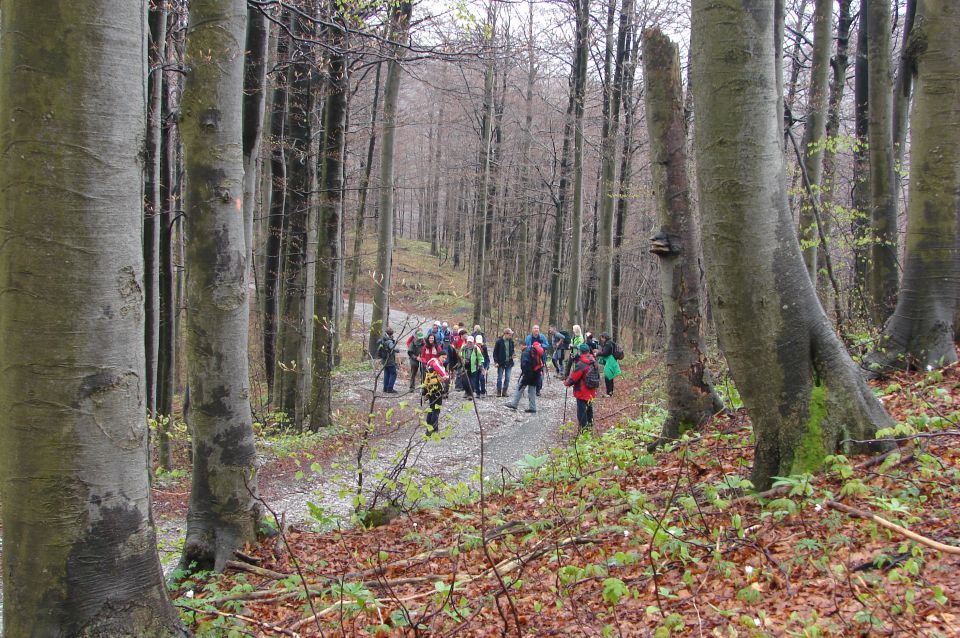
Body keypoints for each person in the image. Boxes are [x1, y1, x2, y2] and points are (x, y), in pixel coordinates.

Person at [566, 343, 598, 432]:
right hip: (591, 390)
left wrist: (567, 382)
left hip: (582, 391)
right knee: (589, 410)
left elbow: (574, 377)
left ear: (580, 351)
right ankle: (590, 428)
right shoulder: (593, 360)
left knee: (581, 413)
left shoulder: (582, 364)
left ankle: (584, 432)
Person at [506, 341, 543, 413]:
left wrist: (524, 374)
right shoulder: (532, 350)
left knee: (520, 387)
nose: (520, 348)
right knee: (532, 390)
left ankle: (514, 404)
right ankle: (533, 408)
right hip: (536, 373)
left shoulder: (525, 352)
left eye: (520, 346)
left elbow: (524, 365)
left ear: (522, 345)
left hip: (528, 374)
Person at [422, 350, 450, 433]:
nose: (444, 359)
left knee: (431, 408)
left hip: (430, 388)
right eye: (443, 357)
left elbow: (445, 373)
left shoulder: (432, 362)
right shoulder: (436, 363)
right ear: (439, 356)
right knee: (436, 409)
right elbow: (442, 372)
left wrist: (445, 375)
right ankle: (434, 430)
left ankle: (429, 430)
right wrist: (444, 375)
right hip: (436, 388)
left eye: (445, 358)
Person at [525, 325, 550, 396]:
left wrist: (540, 346)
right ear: (532, 330)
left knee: (540, 375)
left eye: (537, 328)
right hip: (531, 359)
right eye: (535, 328)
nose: (536, 330)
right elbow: (527, 347)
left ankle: (538, 389)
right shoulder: (529, 337)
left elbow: (547, 345)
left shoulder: (542, 337)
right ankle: (531, 388)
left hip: (541, 359)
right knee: (530, 374)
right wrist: (533, 346)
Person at [493, 328, 515, 397]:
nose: (511, 336)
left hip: (509, 363)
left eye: (511, 335)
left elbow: (512, 350)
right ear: (505, 334)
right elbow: (495, 353)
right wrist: (496, 362)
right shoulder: (499, 341)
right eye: (510, 335)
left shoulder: (511, 341)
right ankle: (499, 392)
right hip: (501, 363)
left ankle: (504, 391)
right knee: (499, 378)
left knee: (507, 378)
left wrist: (513, 354)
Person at [597, 332, 622, 396]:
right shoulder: (610, 343)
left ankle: (609, 393)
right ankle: (610, 392)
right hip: (612, 360)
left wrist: (597, 353)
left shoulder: (608, 344)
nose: (601, 339)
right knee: (610, 376)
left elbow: (605, 353)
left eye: (601, 338)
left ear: (604, 337)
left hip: (610, 361)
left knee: (608, 376)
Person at [376, 327, 398, 393]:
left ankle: (385, 388)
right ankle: (390, 389)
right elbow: (392, 347)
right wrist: (397, 349)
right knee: (393, 373)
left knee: (387, 373)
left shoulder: (382, 339)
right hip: (390, 360)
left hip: (384, 359)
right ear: (391, 334)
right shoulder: (389, 341)